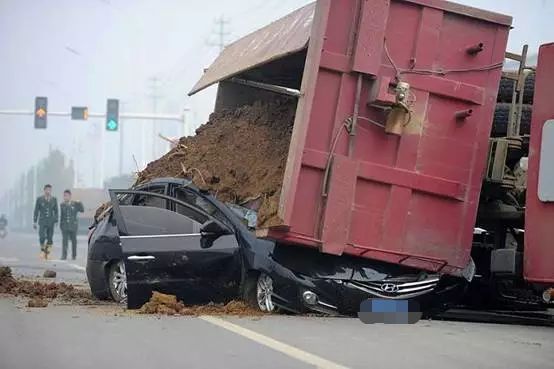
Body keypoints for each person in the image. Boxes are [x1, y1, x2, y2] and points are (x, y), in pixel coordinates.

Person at [33, 184, 58, 259]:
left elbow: (56, 211)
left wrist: (56, 220)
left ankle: (48, 252)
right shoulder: (39, 199)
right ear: (44, 190)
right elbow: (36, 210)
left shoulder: (54, 199)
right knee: (42, 237)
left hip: (51, 221)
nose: (48, 191)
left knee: (50, 238)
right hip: (42, 221)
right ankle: (42, 251)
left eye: (49, 190)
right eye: (47, 190)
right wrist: (34, 221)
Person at [59, 190, 84, 260]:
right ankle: (64, 255)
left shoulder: (75, 204)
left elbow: (82, 210)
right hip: (65, 226)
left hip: (73, 226)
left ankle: (74, 255)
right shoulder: (62, 205)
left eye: (67, 195)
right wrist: (61, 225)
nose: (65, 197)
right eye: (64, 196)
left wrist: (80, 203)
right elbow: (62, 216)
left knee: (74, 241)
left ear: (70, 196)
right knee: (65, 242)